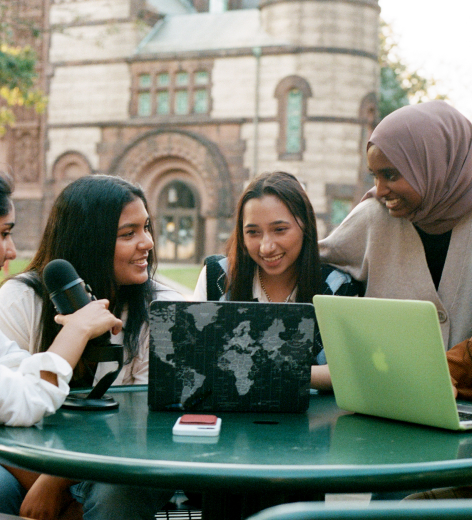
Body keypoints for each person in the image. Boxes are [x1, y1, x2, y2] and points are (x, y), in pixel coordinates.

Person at [0, 174, 185, 519]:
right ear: (87, 241)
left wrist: (54, 484)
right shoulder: (22, 297)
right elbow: (8, 400)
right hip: (32, 453)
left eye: (147, 228)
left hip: (126, 456)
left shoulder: (163, 308)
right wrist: (46, 482)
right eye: (128, 233)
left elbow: (141, 424)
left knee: (114, 498)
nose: (147, 243)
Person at [0, 162, 122, 507]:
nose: (12, 250)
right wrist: (77, 328)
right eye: (4, 233)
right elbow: (23, 401)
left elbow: (11, 361)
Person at [319, 100, 472, 351]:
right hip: (388, 388)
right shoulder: (374, 217)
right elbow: (307, 264)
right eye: (374, 176)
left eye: (391, 175)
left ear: (433, 164)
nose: (379, 190)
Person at [193, 171, 362, 390]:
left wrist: (269, 369)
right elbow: (193, 359)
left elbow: (353, 371)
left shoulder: (337, 286)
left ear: (305, 226)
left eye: (280, 230)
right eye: (253, 232)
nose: (266, 247)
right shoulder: (216, 277)